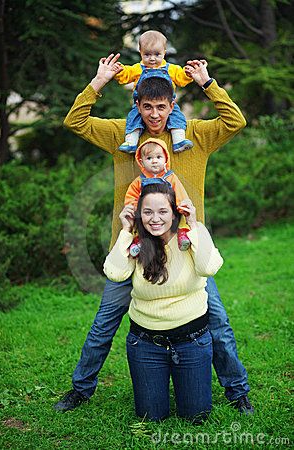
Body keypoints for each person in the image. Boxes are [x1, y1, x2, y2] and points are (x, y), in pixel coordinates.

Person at [54, 53, 254, 415]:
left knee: (219, 324)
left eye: (161, 107)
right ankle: (81, 389)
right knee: (104, 324)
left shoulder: (193, 135)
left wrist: (207, 82)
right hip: (134, 250)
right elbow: (75, 120)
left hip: (186, 252)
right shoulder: (124, 137)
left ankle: (237, 391)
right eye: (147, 107)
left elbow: (235, 121)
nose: (155, 115)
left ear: (171, 105)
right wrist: (99, 81)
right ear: (138, 106)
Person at [104, 183, 223, 421]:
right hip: (146, 344)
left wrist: (195, 224)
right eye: (147, 212)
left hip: (192, 342)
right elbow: (115, 273)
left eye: (163, 211)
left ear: (175, 212)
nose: (155, 218)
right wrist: (125, 230)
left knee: (196, 416)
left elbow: (208, 267)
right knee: (151, 416)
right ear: (139, 214)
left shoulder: (190, 236)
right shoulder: (136, 244)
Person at [114, 30, 193, 153]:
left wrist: (188, 74)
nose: (152, 59)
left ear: (164, 53)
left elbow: (181, 78)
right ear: (140, 52)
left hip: (165, 103)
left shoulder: (171, 69)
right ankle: (131, 142)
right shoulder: (137, 69)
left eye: (157, 54)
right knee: (134, 118)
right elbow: (126, 74)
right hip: (143, 103)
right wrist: (118, 71)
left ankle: (179, 140)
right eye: (147, 55)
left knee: (177, 117)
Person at [125, 137, 192, 256]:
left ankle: (182, 235)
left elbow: (180, 192)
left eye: (158, 157)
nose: (154, 161)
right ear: (141, 162)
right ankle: (138, 241)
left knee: (179, 219)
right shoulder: (140, 181)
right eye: (149, 158)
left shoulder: (171, 178)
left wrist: (182, 206)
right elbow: (131, 195)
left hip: (168, 210)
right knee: (140, 223)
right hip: (147, 211)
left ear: (166, 159)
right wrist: (133, 208)